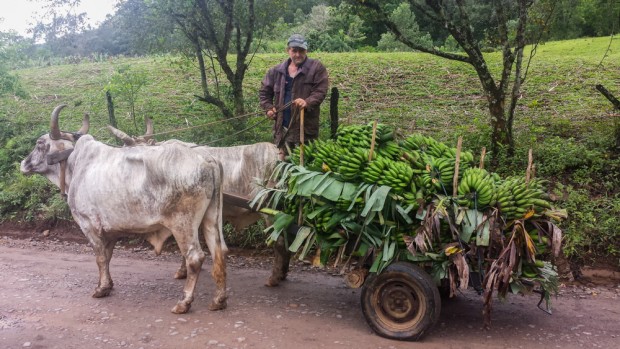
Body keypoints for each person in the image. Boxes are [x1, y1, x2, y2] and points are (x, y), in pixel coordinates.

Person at [259, 34, 329, 160]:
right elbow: (264, 93)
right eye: (294, 50)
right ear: (288, 50)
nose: (297, 54)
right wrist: (269, 108)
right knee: (282, 165)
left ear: (306, 50)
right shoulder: (276, 71)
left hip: (305, 129)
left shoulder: (316, 68)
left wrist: (307, 102)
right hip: (282, 129)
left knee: (305, 164)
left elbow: (320, 91)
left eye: (301, 50)